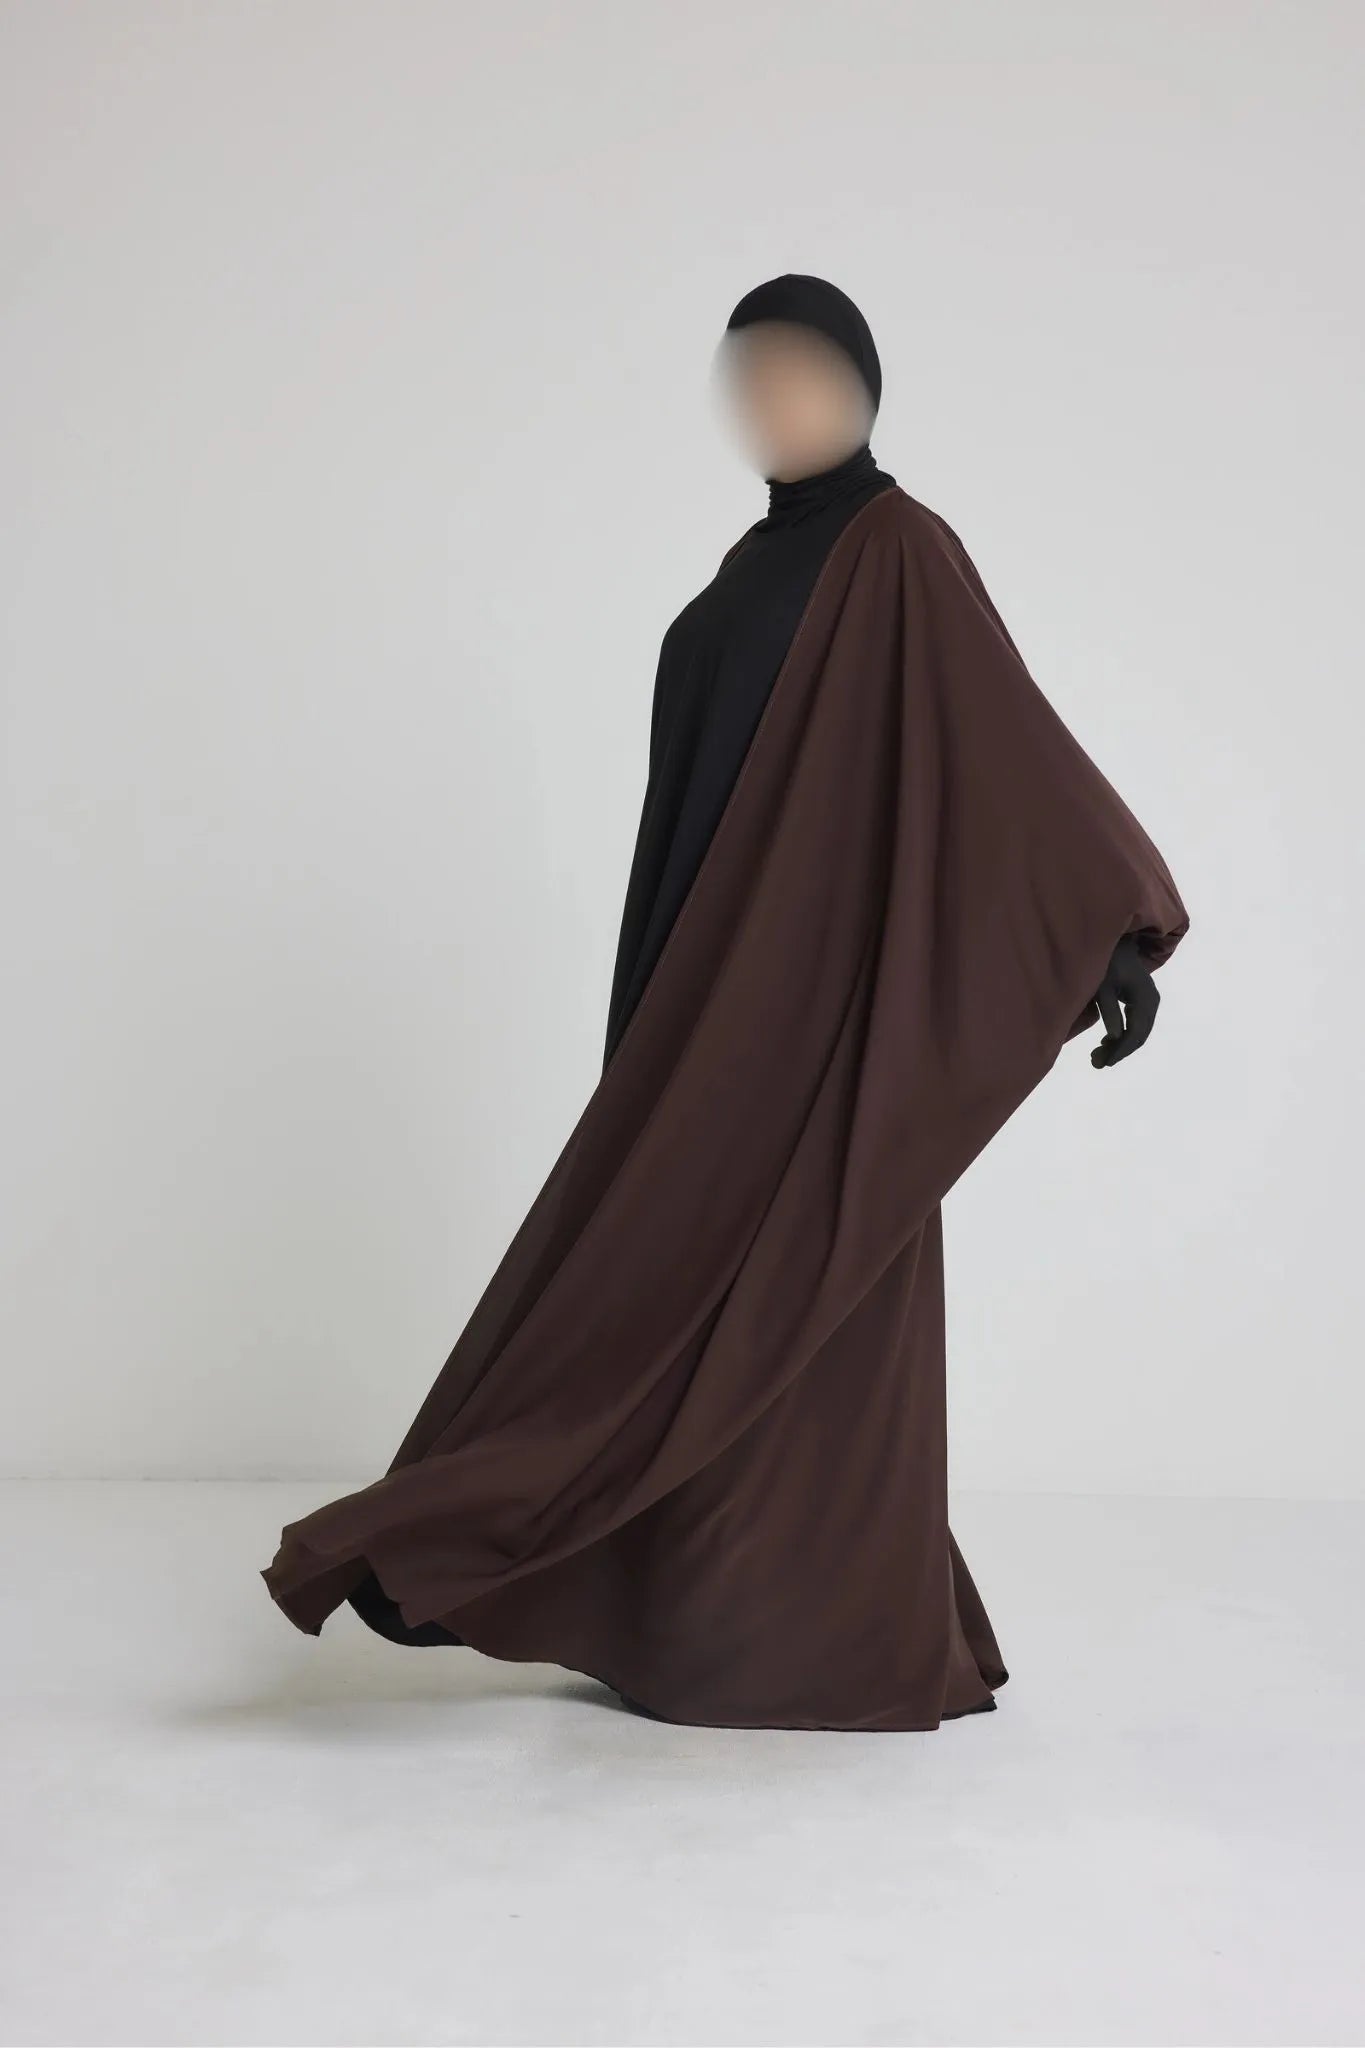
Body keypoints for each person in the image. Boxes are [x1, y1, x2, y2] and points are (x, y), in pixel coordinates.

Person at [262, 273, 1189, 1732]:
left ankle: (533, 1566)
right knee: (642, 1270)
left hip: (810, 1011)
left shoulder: (900, 550)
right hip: (697, 995)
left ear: (868, 390)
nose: (778, 400)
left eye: (809, 372)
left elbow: (1001, 744)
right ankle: (504, 1555)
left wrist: (1109, 932)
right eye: (752, 375)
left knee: (793, 1290)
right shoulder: (752, 565)